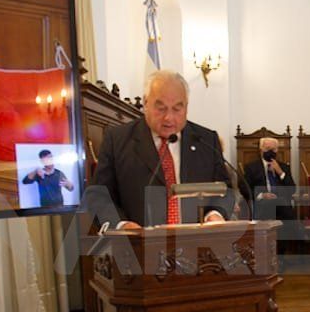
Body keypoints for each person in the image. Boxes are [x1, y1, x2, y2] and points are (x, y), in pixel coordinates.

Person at [87, 70, 232, 228]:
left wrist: (214, 214)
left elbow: (225, 192)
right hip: (138, 246)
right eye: (161, 108)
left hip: (198, 246)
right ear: (146, 103)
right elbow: (98, 196)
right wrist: (121, 225)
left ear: (186, 107)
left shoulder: (207, 140)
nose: (169, 117)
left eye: (177, 108)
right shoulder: (117, 140)